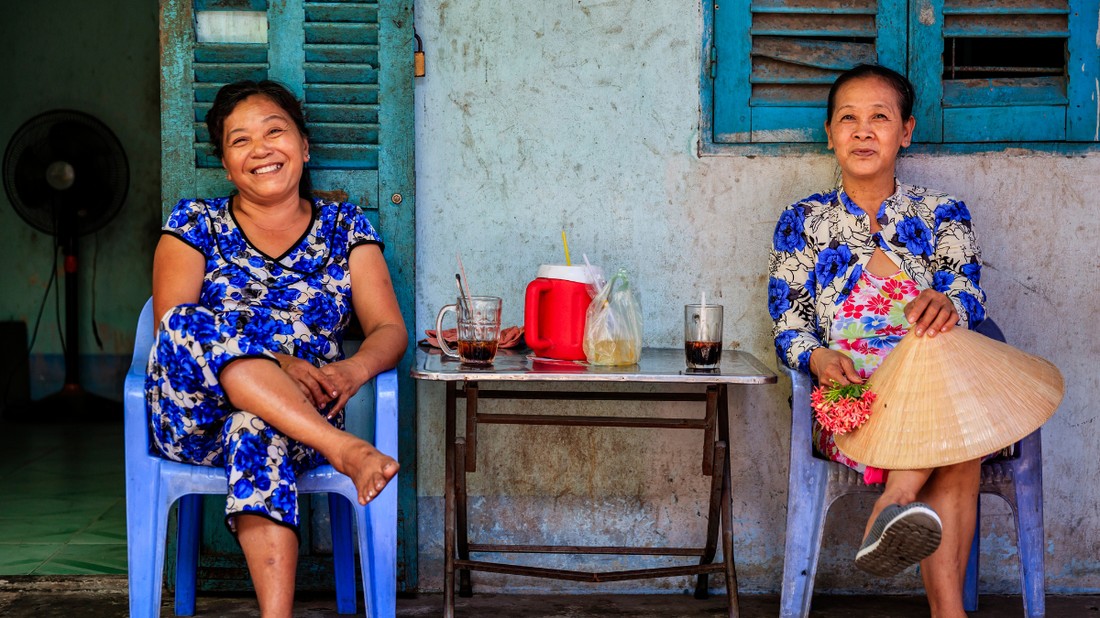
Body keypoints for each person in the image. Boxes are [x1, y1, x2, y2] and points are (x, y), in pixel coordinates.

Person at [146, 79, 405, 617]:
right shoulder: (195, 223)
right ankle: (345, 450)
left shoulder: (345, 228)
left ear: (304, 147)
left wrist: (350, 372)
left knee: (256, 427)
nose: (260, 149)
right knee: (188, 321)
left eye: (275, 132)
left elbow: (388, 330)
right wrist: (282, 363)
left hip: (297, 422)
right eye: (240, 141)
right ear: (224, 162)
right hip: (196, 419)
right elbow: (172, 328)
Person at [768, 65, 987, 618]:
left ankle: (896, 503)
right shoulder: (803, 221)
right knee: (960, 442)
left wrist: (950, 304)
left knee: (950, 403)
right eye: (849, 118)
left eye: (880, 118)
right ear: (829, 133)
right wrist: (817, 356)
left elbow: (969, 293)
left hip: (935, 383)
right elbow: (788, 322)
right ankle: (936, 589)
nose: (863, 131)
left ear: (906, 131)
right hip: (856, 399)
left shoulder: (943, 214)